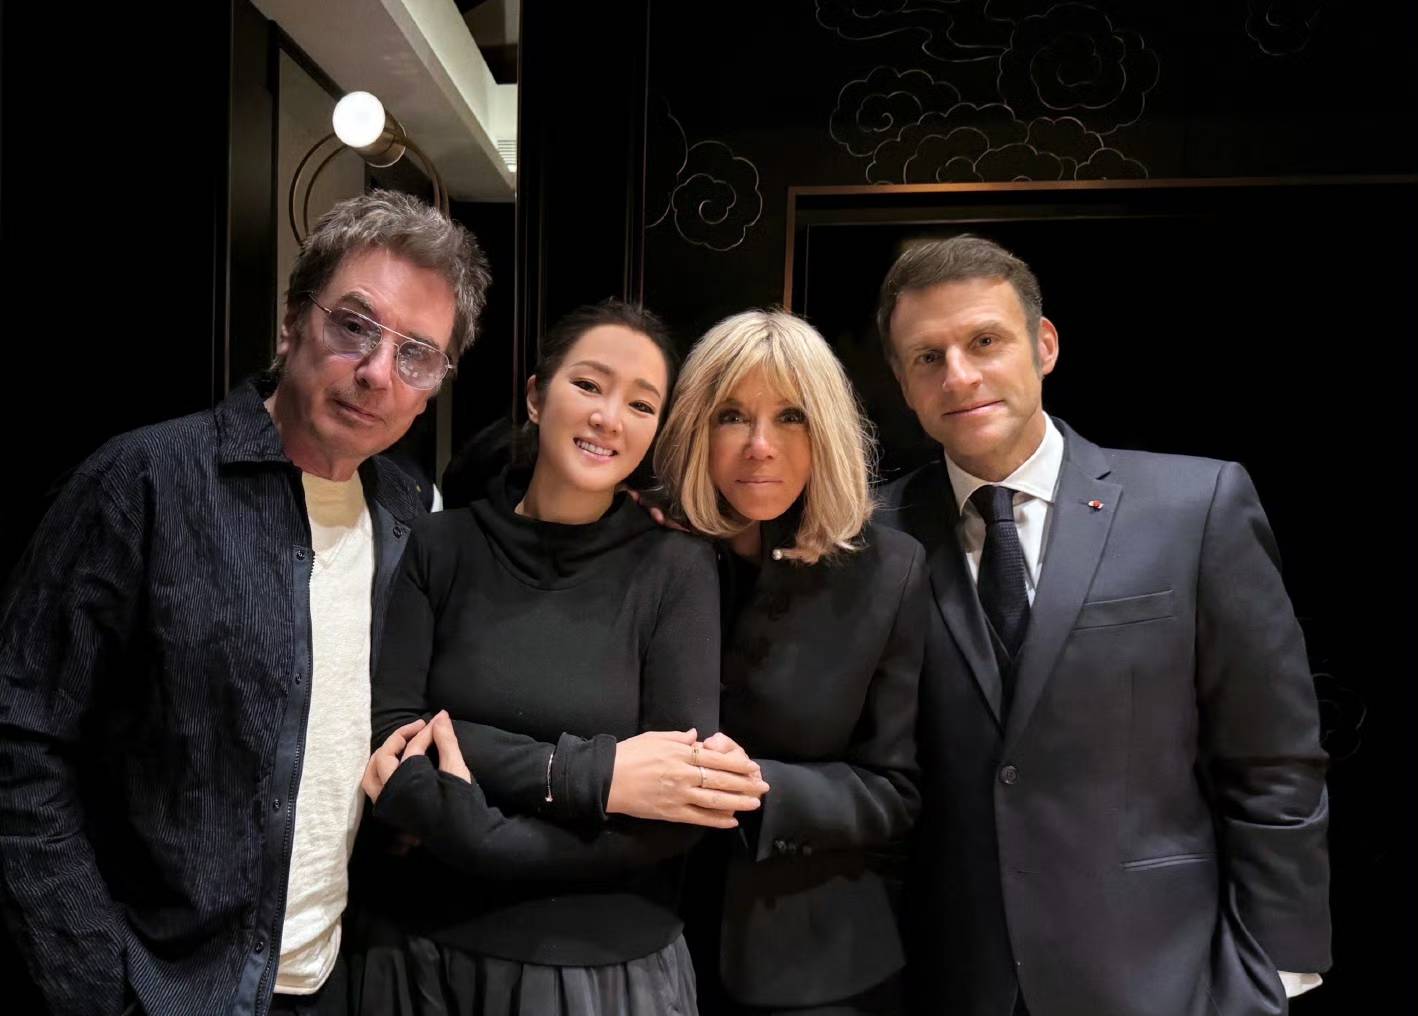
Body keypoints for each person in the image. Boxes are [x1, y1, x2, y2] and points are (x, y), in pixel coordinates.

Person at [0, 189, 490, 1016]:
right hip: (161, 986)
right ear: (293, 321)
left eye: (416, 355)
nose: (377, 372)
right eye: (354, 326)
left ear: (434, 385)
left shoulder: (411, 514)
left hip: (334, 978)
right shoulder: (143, 483)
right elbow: (22, 742)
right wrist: (98, 986)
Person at [874, 235, 1331, 1016]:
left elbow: (1274, 757)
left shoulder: (1195, 508)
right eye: (928, 357)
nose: (960, 375)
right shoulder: (871, 534)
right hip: (950, 978)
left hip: (1163, 977)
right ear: (904, 383)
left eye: (985, 341)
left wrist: (1279, 973)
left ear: (1044, 345)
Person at [353, 300, 733, 1016]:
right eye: (588, 385)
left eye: (641, 404)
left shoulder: (676, 568)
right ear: (536, 397)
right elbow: (393, 741)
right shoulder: (441, 545)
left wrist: (479, 835)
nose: (609, 418)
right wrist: (596, 777)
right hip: (420, 951)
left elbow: (680, 806)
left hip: (604, 968)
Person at [653, 310, 926, 1014]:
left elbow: (895, 789)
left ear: (827, 429)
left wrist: (757, 789)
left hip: (815, 960)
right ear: (696, 428)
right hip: (641, 939)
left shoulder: (889, 571)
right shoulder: (645, 546)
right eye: (732, 416)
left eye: (791, 417)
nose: (760, 446)